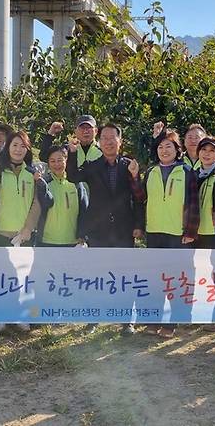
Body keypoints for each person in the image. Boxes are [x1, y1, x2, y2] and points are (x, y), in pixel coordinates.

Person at [66, 123, 145, 335]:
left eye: (113, 138)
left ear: (120, 141)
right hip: (98, 229)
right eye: (104, 138)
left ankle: (127, 320)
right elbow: (73, 177)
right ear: (99, 143)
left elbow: (139, 198)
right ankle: (94, 318)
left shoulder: (129, 165)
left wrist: (138, 225)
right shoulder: (92, 165)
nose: (109, 142)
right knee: (97, 275)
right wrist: (72, 154)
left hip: (123, 229)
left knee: (125, 276)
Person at [140, 128, 199, 338]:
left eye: (169, 146)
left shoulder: (186, 172)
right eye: (160, 147)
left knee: (175, 278)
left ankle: (172, 322)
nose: (164, 150)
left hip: (178, 233)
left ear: (177, 149)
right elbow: (140, 197)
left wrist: (190, 230)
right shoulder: (151, 171)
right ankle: (154, 320)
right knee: (156, 278)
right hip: (155, 231)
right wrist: (131, 176)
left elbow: (193, 203)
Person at [0, 130, 52, 247]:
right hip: (0, 234)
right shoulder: (0, 171)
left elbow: (37, 203)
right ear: (8, 147)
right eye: (14, 145)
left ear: (27, 149)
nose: (18, 150)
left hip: (25, 236)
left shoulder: (33, 174)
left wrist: (28, 229)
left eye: (23, 146)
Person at [37, 145, 88, 247]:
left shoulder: (76, 183)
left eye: (60, 160)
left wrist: (82, 234)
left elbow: (84, 209)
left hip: (73, 242)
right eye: (52, 161)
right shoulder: (44, 183)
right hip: (46, 241)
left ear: (66, 160)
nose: (57, 164)